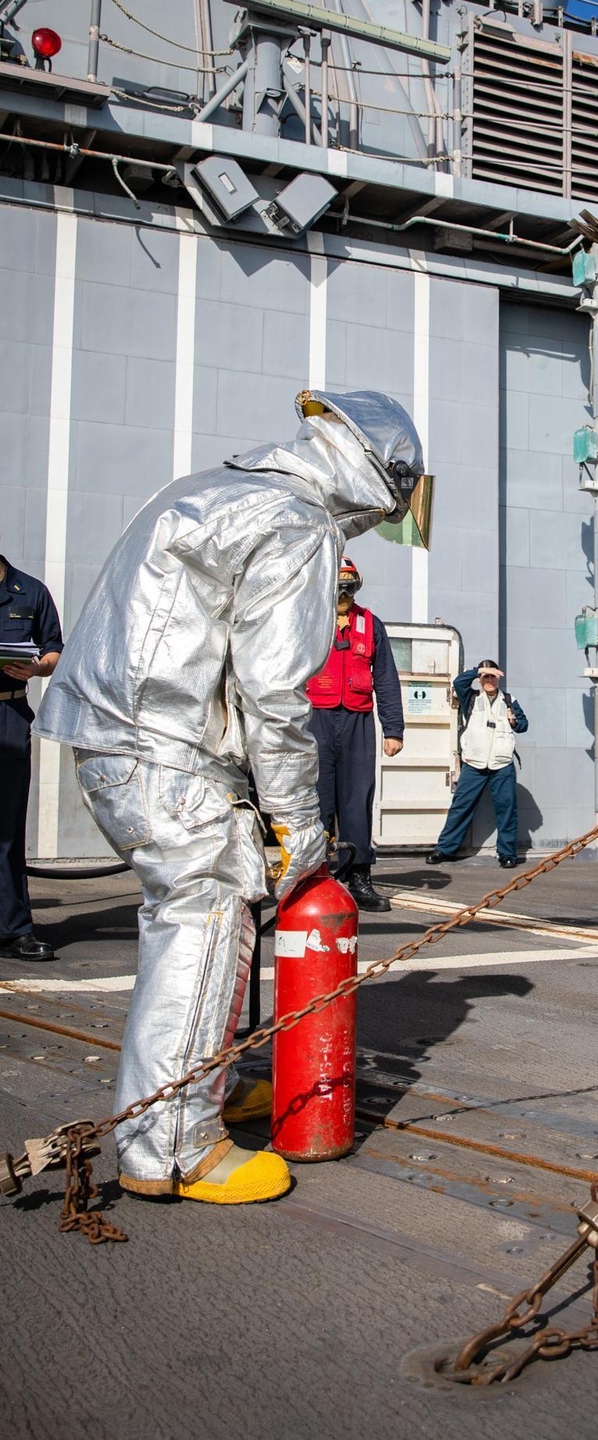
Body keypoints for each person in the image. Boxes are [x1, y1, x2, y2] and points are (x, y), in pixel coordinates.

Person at [36, 389, 429, 1203]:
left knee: (207, 919)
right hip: (170, 752)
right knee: (204, 919)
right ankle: (173, 1145)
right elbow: (276, 694)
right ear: (375, 476)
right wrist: (298, 822)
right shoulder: (296, 522)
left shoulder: (212, 488)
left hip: (122, 739)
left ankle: (208, 1083)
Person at [306, 556, 404, 913]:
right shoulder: (309, 620)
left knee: (357, 801)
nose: (344, 594)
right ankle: (313, 876)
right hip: (314, 719)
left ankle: (358, 874)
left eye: (349, 588)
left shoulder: (370, 625)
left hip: (358, 722)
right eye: (338, 588)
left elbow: (387, 680)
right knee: (316, 800)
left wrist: (393, 729)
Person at [0, 550, 63, 964]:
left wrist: (38, 668)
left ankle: (14, 929)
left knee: (6, 828)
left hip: (8, 712)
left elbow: (54, 650)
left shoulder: (30, 592)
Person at [427, 660, 527, 868]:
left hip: (502, 764)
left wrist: (514, 720)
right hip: (474, 763)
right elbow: (458, 682)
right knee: (461, 807)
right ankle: (445, 849)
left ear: (498, 678)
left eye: (492, 676)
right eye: (485, 677)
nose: (489, 680)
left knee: (507, 809)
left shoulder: (509, 700)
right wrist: (478, 671)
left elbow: (524, 725)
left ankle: (507, 854)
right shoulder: (471, 697)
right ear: (480, 679)